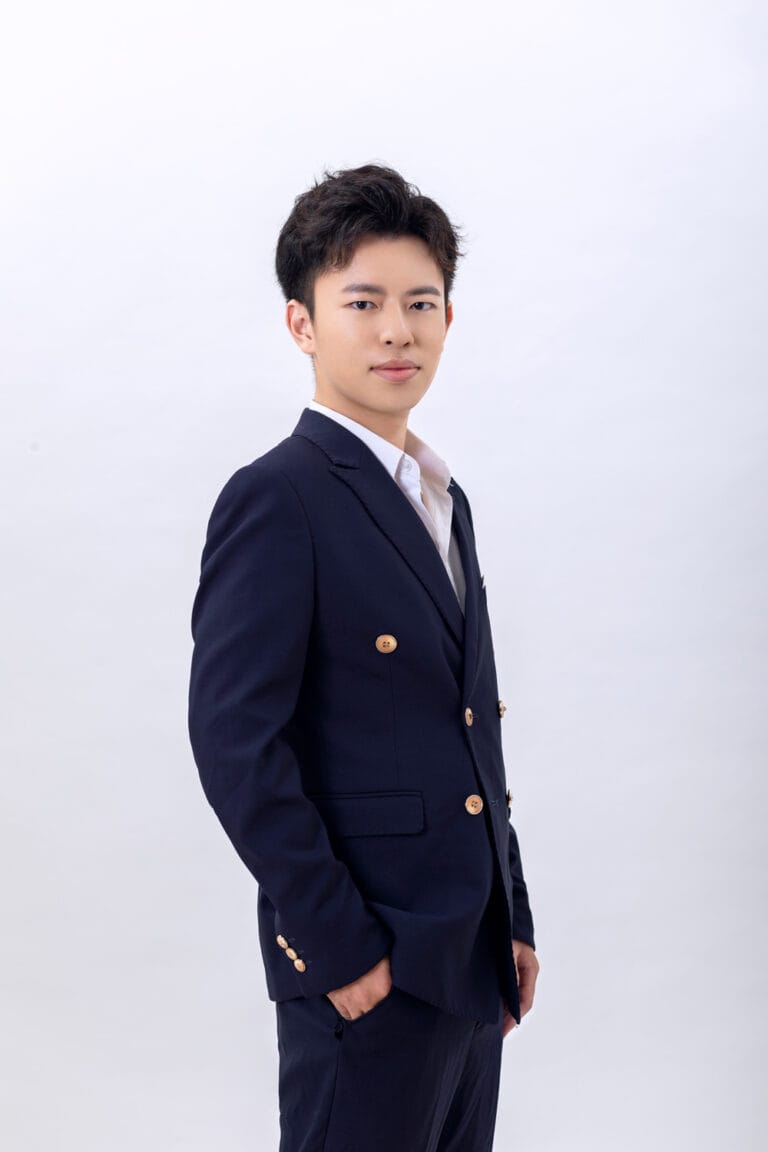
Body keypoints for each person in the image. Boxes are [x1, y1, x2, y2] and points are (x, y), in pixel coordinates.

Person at [187, 163, 540, 1151]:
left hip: (469, 960)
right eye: (363, 302)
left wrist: (512, 916)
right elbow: (235, 745)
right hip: (369, 964)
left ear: (448, 319)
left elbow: (467, 726)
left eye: (420, 303)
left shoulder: (443, 500)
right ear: (302, 323)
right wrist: (337, 949)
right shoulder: (278, 497)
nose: (397, 331)